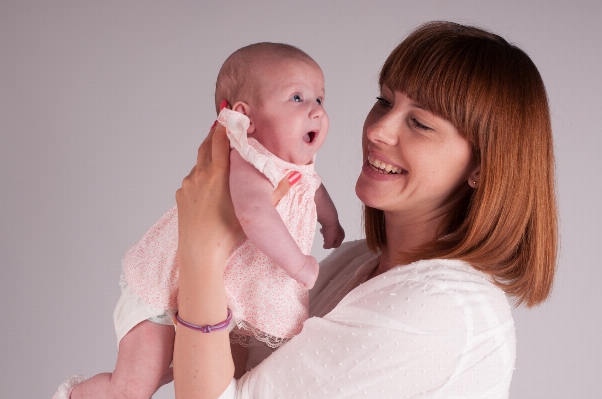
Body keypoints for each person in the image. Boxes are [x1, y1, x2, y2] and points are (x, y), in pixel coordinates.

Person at [172, 21, 557, 398]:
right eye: (384, 101)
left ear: (481, 166)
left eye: (420, 123)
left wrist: (202, 251)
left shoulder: (440, 308)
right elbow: (235, 372)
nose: (377, 130)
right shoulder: (353, 261)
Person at [53, 43, 344, 399]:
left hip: (203, 296)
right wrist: (299, 265)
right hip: (162, 292)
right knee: (131, 389)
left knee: (202, 374)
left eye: (319, 99)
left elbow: (314, 190)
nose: (315, 111)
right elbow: (254, 215)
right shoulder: (248, 163)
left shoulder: (293, 168)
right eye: (297, 98)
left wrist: (330, 222)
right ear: (245, 117)